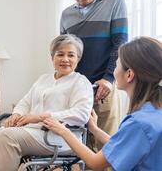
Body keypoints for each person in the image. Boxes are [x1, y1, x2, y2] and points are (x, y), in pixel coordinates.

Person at [0, 34, 94, 171]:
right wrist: (16, 114)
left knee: (8, 136)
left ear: (78, 58)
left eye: (71, 55)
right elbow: (25, 101)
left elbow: (81, 114)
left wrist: (41, 117)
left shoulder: (81, 82)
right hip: (33, 131)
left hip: (58, 138)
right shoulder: (44, 79)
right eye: (60, 54)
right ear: (52, 57)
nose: (65, 59)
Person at [43, 37, 162, 170]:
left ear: (129, 75)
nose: (114, 70)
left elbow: (95, 163)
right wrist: (95, 129)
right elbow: (121, 145)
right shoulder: (153, 114)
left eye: (116, 65)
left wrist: (63, 131)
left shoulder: (138, 123)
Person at [60, 0, 129, 147]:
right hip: (77, 89)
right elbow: (65, 52)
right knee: (83, 148)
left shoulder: (114, 1)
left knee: (108, 147)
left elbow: (120, 44)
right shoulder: (66, 14)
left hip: (104, 87)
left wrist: (108, 79)